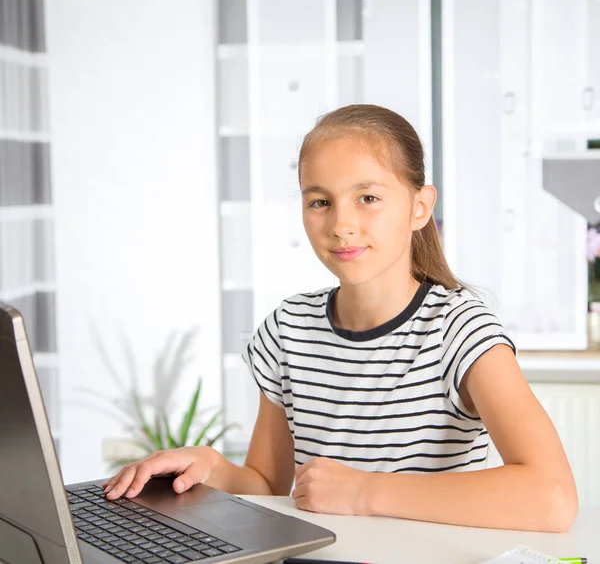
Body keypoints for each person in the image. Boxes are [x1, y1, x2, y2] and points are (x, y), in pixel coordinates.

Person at [103, 104, 578, 532]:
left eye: (367, 198)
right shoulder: (287, 329)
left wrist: (363, 492)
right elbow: (268, 485)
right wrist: (208, 466)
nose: (340, 224)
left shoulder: (461, 332)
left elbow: (551, 498)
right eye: (320, 201)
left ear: (419, 207)